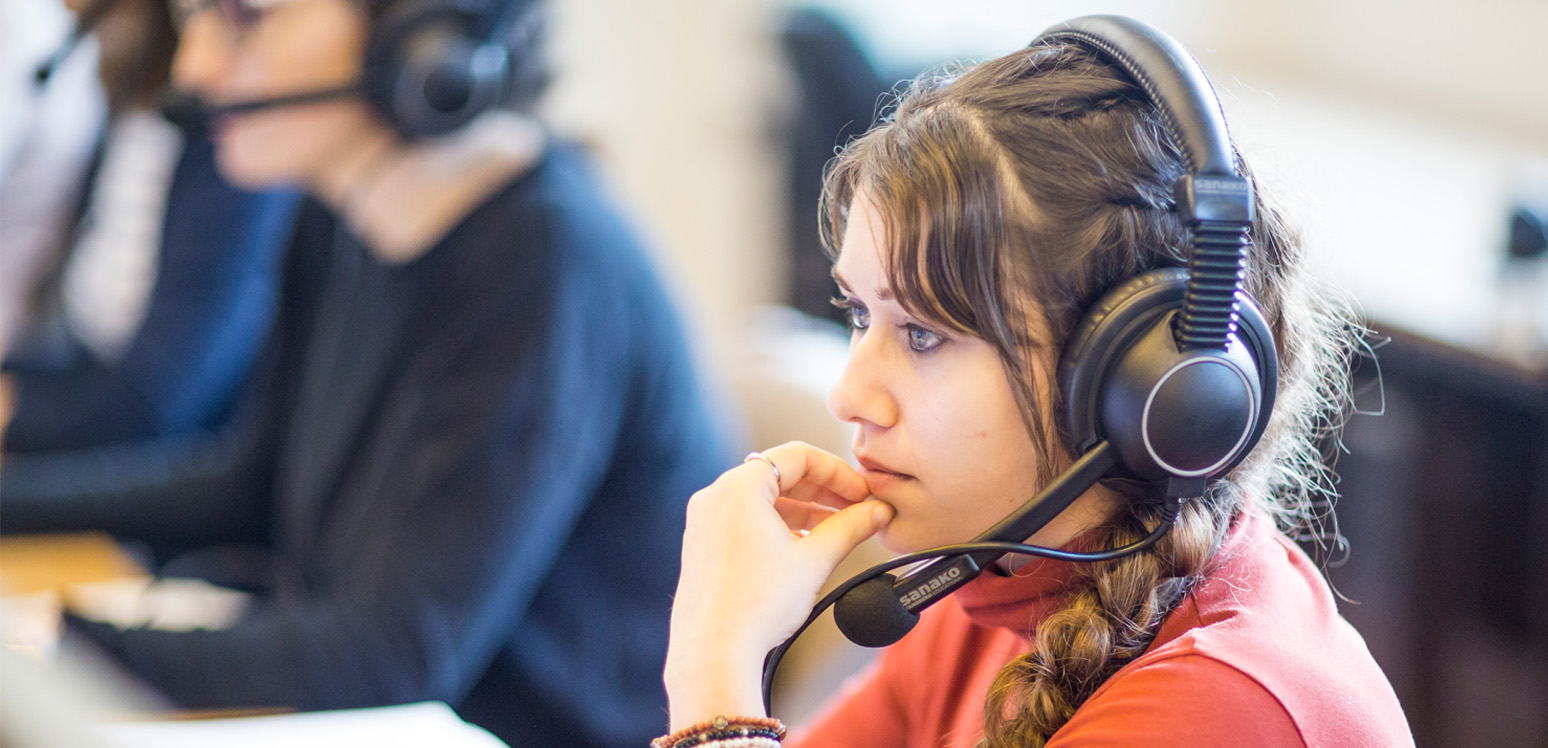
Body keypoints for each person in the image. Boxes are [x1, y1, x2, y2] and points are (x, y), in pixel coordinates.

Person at [661, 18, 1414, 748]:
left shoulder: (1220, 710)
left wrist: (715, 676)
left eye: (924, 334)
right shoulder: (999, 585)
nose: (849, 396)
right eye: (860, 314)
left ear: (1144, 387)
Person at [0, 0, 734, 746]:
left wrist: (50, 644)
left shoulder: (547, 263)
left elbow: (390, 656)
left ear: (427, 39)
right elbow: (249, 486)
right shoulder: (339, 212)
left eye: (246, 19)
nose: (193, 67)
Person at [1, 0, 297, 458]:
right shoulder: (132, 79)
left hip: (148, 463)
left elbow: (150, 406)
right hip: (88, 410)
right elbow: (83, 352)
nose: (197, 64)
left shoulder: (237, 135)